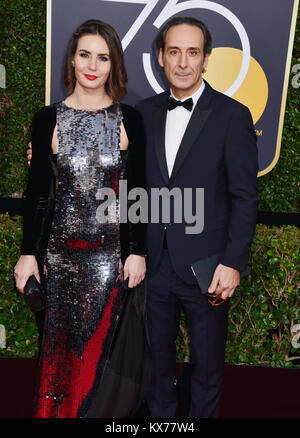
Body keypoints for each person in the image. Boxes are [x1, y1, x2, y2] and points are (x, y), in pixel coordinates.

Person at [14, 19, 150, 418]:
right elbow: (38, 195)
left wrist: (137, 251)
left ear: (114, 65)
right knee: (58, 366)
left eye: (103, 57)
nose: (93, 65)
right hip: (57, 263)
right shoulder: (47, 119)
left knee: (101, 368)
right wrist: (28, 254)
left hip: (109, 263)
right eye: (85, 55)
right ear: (72, 60)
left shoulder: (130, 120)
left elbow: (135, 193)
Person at [135, 17, 258, 418]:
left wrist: (233, 263)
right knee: (155, 363)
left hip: (209, 266)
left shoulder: (232, 115)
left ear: (206, 59)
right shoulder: (142, 113)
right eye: (174, 52)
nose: (183, 62)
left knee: (206, 367)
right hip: (154, 264)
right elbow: (125, 181)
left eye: (192, 52)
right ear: (160, 58)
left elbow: (244, 196)